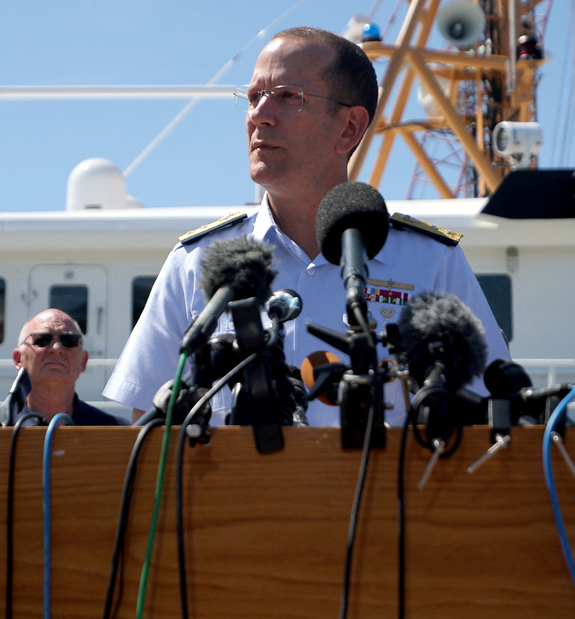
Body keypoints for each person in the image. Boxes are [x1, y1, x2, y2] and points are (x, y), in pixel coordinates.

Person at [104, 26, 510, 427]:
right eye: (253, 97)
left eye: (287, 98)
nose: (259, 116)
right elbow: (149, 432)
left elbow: (491, 415)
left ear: (349, 127)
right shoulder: (197, 263)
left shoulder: (432, 262)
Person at [0, 309, 123, 555]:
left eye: (69, 341)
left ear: (83, 361)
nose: (57, 348)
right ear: (18, 358)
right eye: (42, 340)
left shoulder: (118, 436)